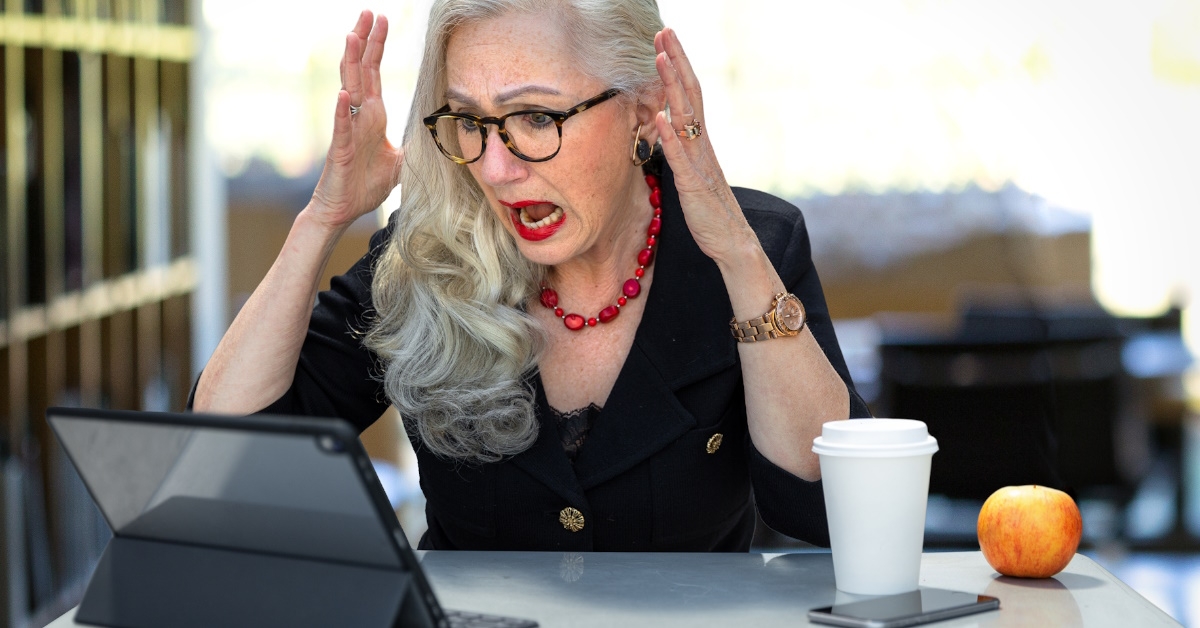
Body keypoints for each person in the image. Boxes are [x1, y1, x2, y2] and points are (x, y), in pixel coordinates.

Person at [192, 0, 871, 551]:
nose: (494, 168)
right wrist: (325, 215)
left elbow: (830, 511)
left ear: (643, 107)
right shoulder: (429, 256)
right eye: (469, 121)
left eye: (537, 117)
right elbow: (228, 451)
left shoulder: (750, 249)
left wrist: (739, 259)